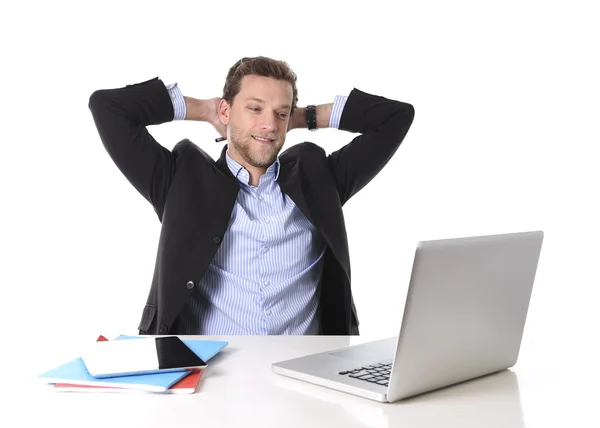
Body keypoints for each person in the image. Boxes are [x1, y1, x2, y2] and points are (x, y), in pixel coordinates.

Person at [88, 56, 415, 336]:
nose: (269, 125)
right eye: (255, 109)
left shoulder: (320, 180)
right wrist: (203, 109)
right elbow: (108, 107)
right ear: (227, 112)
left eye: (280, 113)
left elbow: (396, 116)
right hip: (210, 377)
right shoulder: (180, 180)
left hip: (303, 377)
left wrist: (305, 116)